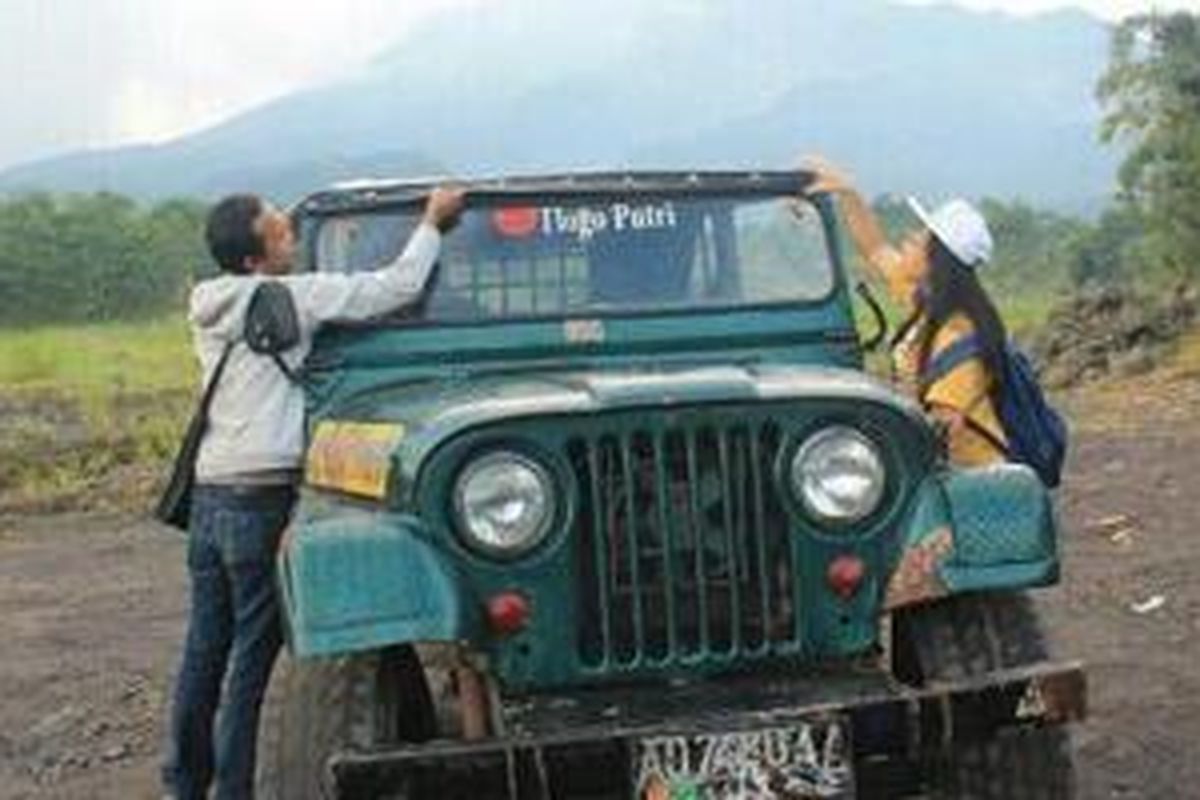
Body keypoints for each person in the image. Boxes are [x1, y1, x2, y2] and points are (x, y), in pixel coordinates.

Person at [162, 186, 464, 800]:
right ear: (253, 257)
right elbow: (395, 288)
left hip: (213, 493)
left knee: (203, 652)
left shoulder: (207, 303)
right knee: (252, 662)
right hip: (262, 497)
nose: (291, 238)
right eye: (279, 232)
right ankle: (233, 792)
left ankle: (184, 783)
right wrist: (432, 223)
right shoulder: (290, 298)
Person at [805, 158, 1008, 466]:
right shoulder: (926, 303)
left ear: (935, 260)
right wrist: (848, 192)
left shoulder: (957, 338)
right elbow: (875, 248)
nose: (907, 242)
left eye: (917, 240)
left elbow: (943, 428)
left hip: (970, 475)